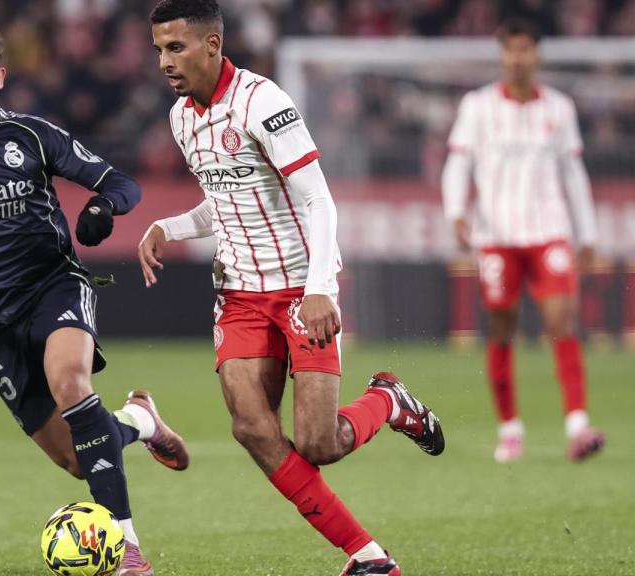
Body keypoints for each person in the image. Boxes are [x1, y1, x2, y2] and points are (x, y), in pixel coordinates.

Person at [138, 2, 444, 575]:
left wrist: (320, 286)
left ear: (211, 45)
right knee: (252, 428)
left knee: (317, 444)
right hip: (239, 295)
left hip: (301, 290)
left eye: (175, 48)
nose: (164, 62)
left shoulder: (264, 102)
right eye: (158, 49)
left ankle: (388, 402)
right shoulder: (182, 118)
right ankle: (367, 555)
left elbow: (316, 198)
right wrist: (169, 226)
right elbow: (225, 199)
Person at [0, 18, 188, 576]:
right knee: (77, 459)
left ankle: (127, 551)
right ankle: (140, 421)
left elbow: (123, 184)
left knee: (72, 383)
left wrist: (102, 208)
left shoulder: (31, 135)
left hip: (54, 287)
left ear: (1, 76)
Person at [441, 18, 605, 463]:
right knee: (501, 328)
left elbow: (573, 172)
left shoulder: (559, 108)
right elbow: (457, 164)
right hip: (495, 236)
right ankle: (510, 428)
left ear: (537, 54)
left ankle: (578, 425)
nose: (517, 58)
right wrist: (456, 212)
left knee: (562, 320)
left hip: (549, 231)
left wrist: (587, 232)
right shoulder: (477, 107)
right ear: (502, 54)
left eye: (525, 49)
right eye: (510, 49)